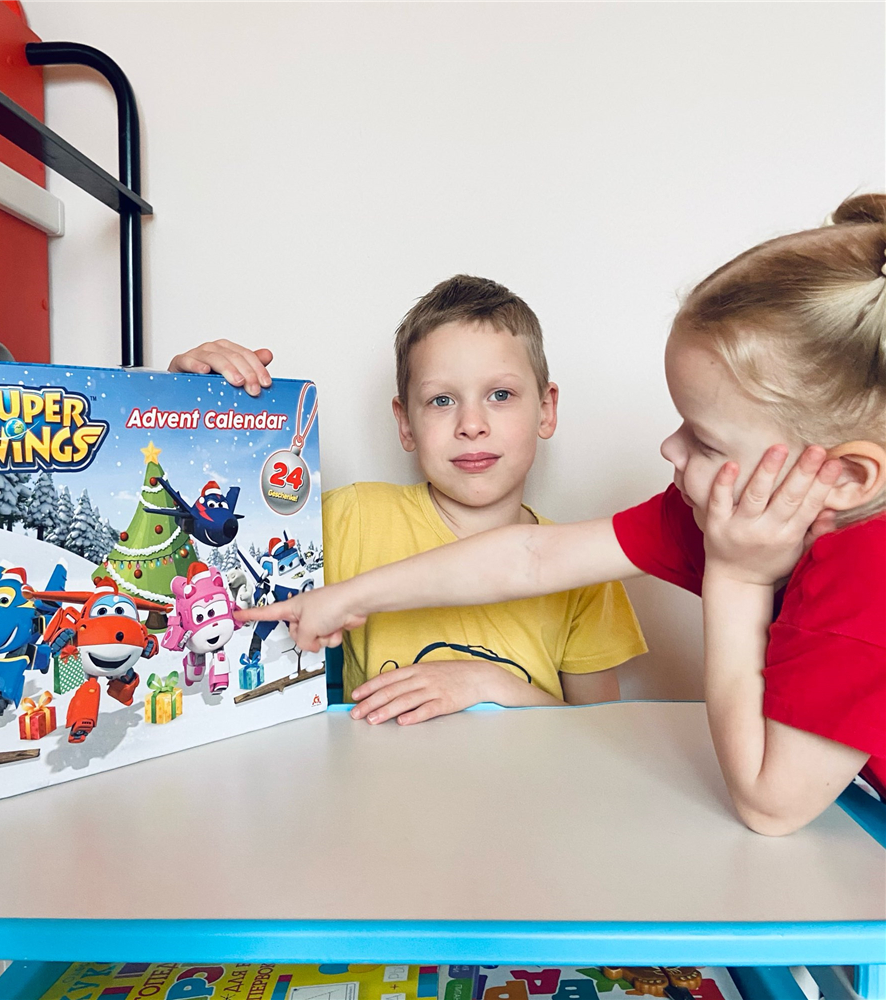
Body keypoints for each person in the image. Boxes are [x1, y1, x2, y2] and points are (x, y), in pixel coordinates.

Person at [240, 195, 886, 836]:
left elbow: (772, 806)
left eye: (705, 440)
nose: (669, 447)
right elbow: (529, 557)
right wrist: (346, 597)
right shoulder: (714, 513)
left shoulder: (868, 572)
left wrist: (738, 577)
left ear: (847, 479)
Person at [169, 275, 647, 720]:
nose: (471, 424)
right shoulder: (352, 520)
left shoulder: (583, 572)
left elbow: (599, 738)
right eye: (442, 400)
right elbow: (213, 564)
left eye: (500, 395)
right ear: (405, 424)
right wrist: (185, 396)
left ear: (545, 409)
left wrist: (491, 686)